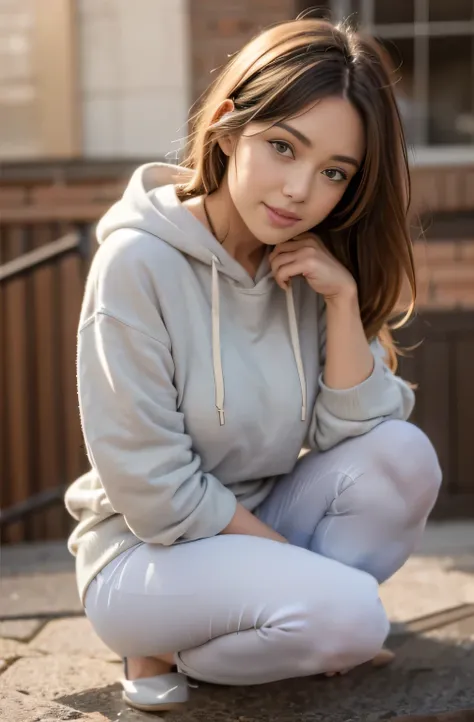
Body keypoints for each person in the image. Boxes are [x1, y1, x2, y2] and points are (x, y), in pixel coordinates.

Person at [65, 17, 442, 714]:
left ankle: (259, 630)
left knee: (405, 455)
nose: (300, 190)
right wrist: (304, 574)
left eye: (334, 173)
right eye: (282, 147)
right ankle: (189, 634)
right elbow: (156, 489)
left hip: (254, 524)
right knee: (353, 617)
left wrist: (341, 301)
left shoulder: (304, 262)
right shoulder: (136, 263)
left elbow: (354, 434)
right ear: (230, 126)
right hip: (143, 556)